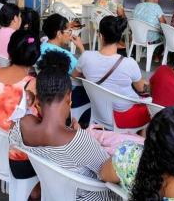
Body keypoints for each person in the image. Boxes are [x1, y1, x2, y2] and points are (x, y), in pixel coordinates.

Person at [9, 50, 111, 201]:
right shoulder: (79, 141)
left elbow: (11, 131)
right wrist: (81, 135)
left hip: (54, 195)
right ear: (69, 96)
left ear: (37, 101)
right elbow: (107, 173)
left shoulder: (24, 126)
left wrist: (22, 103)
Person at [0, 30, 41, 197]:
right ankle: (34, 192)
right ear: (36, 56)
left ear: (10, 51)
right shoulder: (32, 84)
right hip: (16, 159)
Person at [73, 16, 150, 130]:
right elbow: (141, 90)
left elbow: (75, 76)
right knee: (148, 102)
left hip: (98, 111)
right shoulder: (129, 63)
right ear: (120, 40)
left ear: (101, 36)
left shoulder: (85, 57)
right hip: (124, 114)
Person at [40, 14, 90, 113]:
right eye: (69, 31)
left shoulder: (41, 48)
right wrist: (81, 48)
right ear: (59, 34)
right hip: (69, 95)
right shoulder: (64, 55)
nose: (70, 34)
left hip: (47, 92)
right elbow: (87, 73)